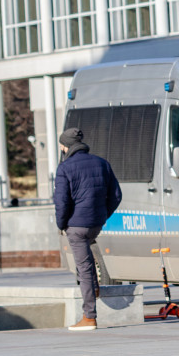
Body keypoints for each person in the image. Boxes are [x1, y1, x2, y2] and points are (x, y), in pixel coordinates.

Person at [53, 128, 122, 331]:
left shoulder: (64, 168)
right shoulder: (102, 163)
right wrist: (102, 215)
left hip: (76, 226)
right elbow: (116, 195)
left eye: (62, 146)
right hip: (95, 224)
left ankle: (89, 317)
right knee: (87, 261)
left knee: (83, 268)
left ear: (65, 146)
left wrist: (61, 224)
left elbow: (61, 202)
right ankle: (94, 288)